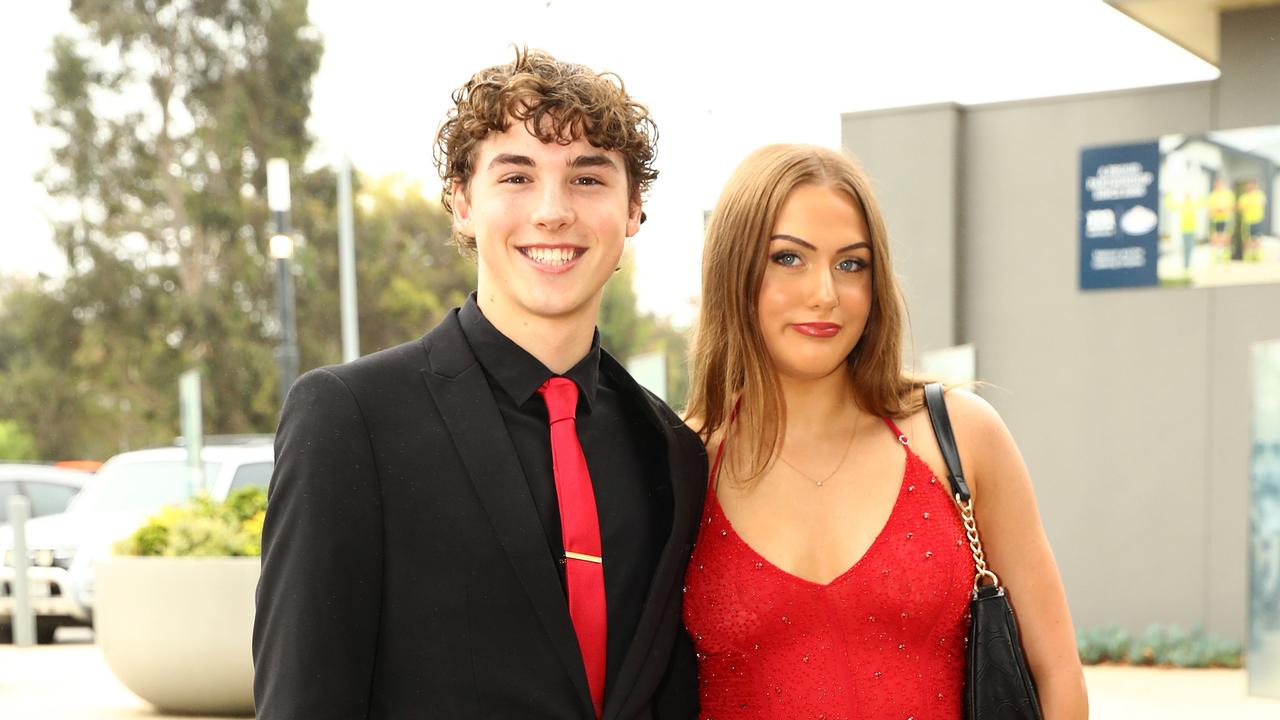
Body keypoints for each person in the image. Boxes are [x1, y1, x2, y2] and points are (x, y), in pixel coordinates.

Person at [253, 48, 706, 719]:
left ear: (634, 208)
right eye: (517, 177)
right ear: (462, 203)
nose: (552, 212)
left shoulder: (670, 448)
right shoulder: (351, 420)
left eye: (587, 179)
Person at [682, 144, 1088, 718]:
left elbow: (1058, 675)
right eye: (789, 258)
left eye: (852, 264)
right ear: (732, 267)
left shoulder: (960, 438)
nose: (825, 292)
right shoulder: (682, 462)